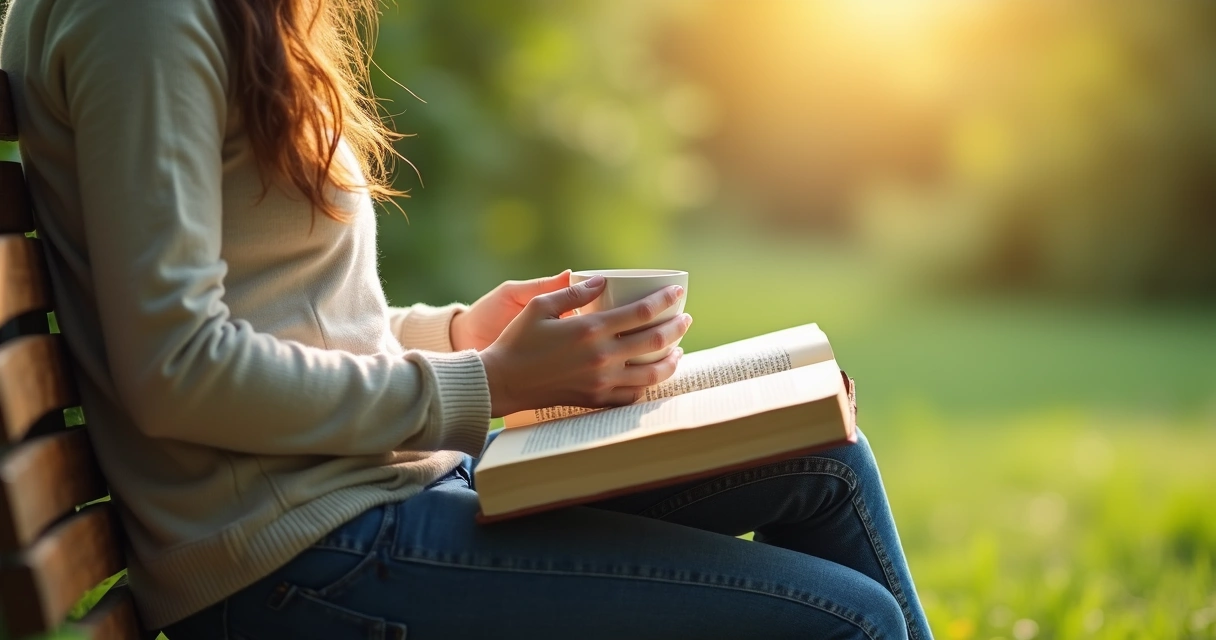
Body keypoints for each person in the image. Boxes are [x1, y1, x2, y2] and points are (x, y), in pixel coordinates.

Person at [0, 0, 932, 638]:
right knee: (850, 623)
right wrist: (490, 383)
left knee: (822, 463)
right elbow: (178, 369)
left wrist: (458, 335)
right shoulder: (144, 21)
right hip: (299, 563)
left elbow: (279, 315)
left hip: (371, 499)